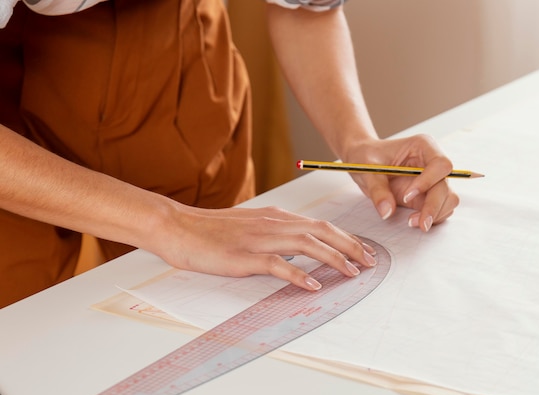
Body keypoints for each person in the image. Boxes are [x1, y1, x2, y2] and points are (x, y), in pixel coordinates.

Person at [0, 0, 459, 308]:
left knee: (217, 296)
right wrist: (170, 223)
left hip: (166, 43)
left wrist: (360, 143)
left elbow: (304, 9)